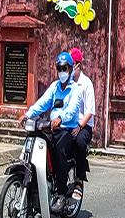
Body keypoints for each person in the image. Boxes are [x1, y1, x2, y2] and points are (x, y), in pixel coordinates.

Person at [23, 51, 85, 198]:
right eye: (59, 68)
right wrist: (28, 114)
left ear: (70, 69)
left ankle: (62, 194)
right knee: (35, 144)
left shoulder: (76, 89)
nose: (62, 72)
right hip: (51, 127)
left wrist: (60, 119)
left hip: (66, 129)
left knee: (59, 152)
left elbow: (71, 111)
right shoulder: (54, 86)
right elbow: (43, 103)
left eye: (65, 68)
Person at [68, 46, 95, 198]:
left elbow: (90, 111)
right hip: (68, 123)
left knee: (79, 142)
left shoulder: (86, 83)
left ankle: (79, 179)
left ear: (77, 65)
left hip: (83, 126)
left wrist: (79, 126)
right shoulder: (66, 84)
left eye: (70, 66)